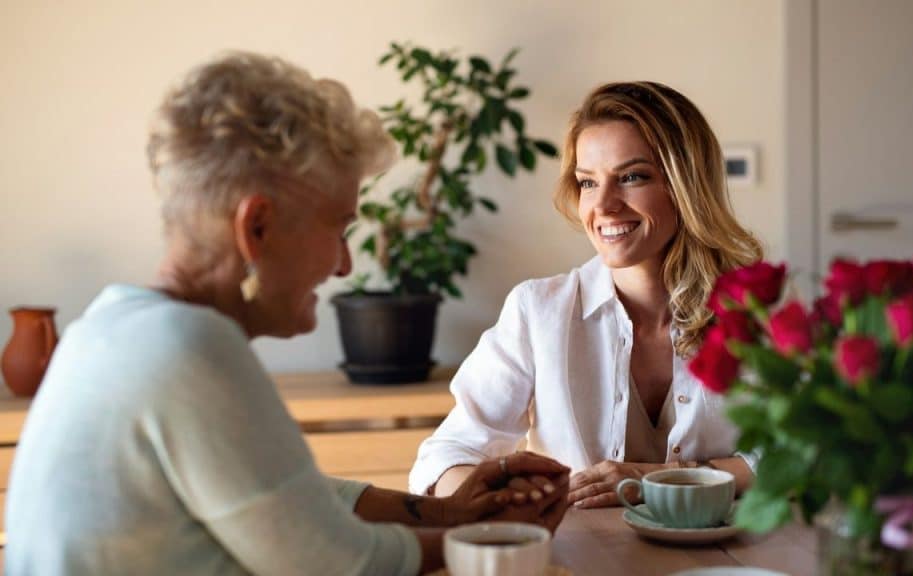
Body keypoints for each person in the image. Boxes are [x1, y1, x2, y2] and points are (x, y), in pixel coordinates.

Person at [4, 52, 569, 576]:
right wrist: (492, 537)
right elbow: (333, 563)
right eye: (339, 228)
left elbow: (285, 496)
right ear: (257, 228)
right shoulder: (188, 346)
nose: (345, 265)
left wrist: (445, 513)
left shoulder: (114, 326)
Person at [409, 81, 763, 508]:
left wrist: (649, 479)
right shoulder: (538, 312)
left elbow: (799, 455)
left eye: (632, 177)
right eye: (588, 183)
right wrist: (502, 496)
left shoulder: (757, 311)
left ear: (686, 184)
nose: (604, 205)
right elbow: (444, 456)